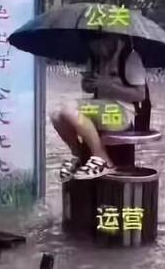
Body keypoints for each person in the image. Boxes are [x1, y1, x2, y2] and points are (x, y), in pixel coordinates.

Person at [50, 36, 146, 181]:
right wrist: (88, 83)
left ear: (111, 38)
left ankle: (103, 160)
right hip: (98, 108)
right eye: (93, 46)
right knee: (56, 114)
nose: (98, 50)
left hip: (121, 113)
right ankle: (79, 155)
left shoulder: (130, 58)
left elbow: (140, 95)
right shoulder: (94, 57)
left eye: (101, 44)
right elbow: (87, 87)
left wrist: (109, 85)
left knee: (69, 110)